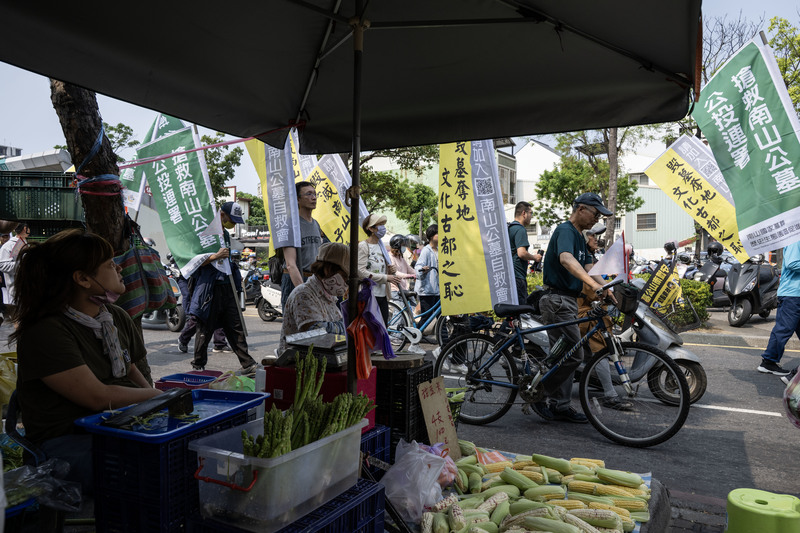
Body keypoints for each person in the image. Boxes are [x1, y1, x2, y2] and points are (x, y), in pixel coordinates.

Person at [11, 229, 161, 494]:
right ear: (82, 278)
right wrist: (158, 396)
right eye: (109, 264)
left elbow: (130, 368)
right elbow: (98, 397)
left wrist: (158, 402)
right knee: (154, 464)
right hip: (64, 444)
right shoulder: (46, 331)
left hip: (115, 425)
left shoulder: (114, 316)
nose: (118, 268)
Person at [534, 192, 612, 423]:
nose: (595, 220)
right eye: (594, 214)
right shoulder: (565, 231)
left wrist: (607, 288)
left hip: (567, 301)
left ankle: (560, 405)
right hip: (557, 300)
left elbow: (589, 266)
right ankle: (538, 392)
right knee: (571, 354)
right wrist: (593, 286)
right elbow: (567, 260)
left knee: (569, 354)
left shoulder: (579, 236)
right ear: (581, 209)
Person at [188, 202, 257, 373]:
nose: (233, 224)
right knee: (205, 328)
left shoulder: (225, 234)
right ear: (222, 214)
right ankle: (198, 365)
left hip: (228, 286)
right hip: (211, 289)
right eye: (231, 220)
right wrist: (215, 256)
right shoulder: (205, 233)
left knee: (235, 326)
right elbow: (194, 261)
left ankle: (248, 364)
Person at [577, 224, 633, 410]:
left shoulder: (588, 257)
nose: (596, 239)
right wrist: (602, 288)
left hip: (592, 308)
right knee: (601, 348)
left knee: (601, 349)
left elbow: (596, 276)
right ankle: (609, 394)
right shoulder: (579, 257)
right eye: (593, 235)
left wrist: (609, 287)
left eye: (597, 236)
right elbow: (590, 279)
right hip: (582, 310)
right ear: (586, 237)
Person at [278, 242, 349, 354]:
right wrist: (349, 324)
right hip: (297, 362)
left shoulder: (328, 295)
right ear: (328, 270)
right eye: (345, 276)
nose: (346, 282)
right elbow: (317, 333)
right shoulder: (303, 295)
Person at [170, 253, 230, 354]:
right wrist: (216, 256)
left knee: (219, 314)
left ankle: (220, 344)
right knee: (198, 316)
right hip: (202, 283)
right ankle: (184, 339)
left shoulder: (221, 245)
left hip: (218, 282)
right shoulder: (195, 249)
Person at [758, 241, 800, 376]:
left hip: (795, 294)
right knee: (784, 329)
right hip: (792, 294)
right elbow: (792, 263)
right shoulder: (796, 240)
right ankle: (768, 362)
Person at [280, 181, 323, 309]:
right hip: (295, 280)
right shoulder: (291, 225)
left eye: (315, 194)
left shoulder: (316, 224)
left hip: (313, 280)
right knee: (296, 326)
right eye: (308, 194)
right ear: (297, 199)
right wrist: (302, 290)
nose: (313, 197)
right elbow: (290, 264)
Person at [357, 214, 399, 325]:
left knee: (383, 328)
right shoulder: (363, 246)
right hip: (369, 296)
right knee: (370, 330)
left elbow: (382, 270)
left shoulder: (382, 247)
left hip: (382, 295)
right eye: (379, 225)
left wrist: (390, 271)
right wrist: (386, 277)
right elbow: (361, 272)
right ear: (370, 228)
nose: (383, 228)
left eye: (383, 224)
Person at [508, 201, 542, 304]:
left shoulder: (509, 228)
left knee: (511, 311)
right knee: (520, 310)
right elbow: (521, 253)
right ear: (524, 213)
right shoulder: (520, 229)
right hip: (518, 276)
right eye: (530, 213)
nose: (531, 216)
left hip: (509, 276)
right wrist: (535, 257)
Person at [0, 222, 31, 311]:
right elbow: (2, 265)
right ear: (25, 229)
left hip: (26, 286)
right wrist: (23, 265)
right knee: (18, 315)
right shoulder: (11, 245)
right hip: (16, 287)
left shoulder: (23, 242)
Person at [388, 234, 416, 304]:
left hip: (404, 288)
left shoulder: (401, 257)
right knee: (399, 312)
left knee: (413, 311)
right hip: (395, 289)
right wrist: (409, 276)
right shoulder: (389, 257)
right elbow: (395, 273)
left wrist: (419, 272)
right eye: (403, 245)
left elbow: (410, 270)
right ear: (397, 246)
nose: (404, 247)